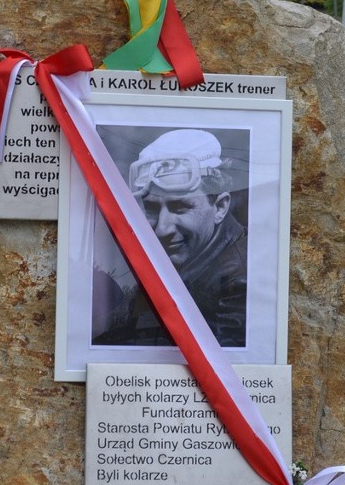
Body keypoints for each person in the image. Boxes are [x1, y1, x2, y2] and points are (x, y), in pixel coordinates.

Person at [95, 128, 248, 348]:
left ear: (220, 207)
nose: (162, 229)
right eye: (152, 208)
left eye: (180, 207)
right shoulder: (176, 263)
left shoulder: (237, 285)